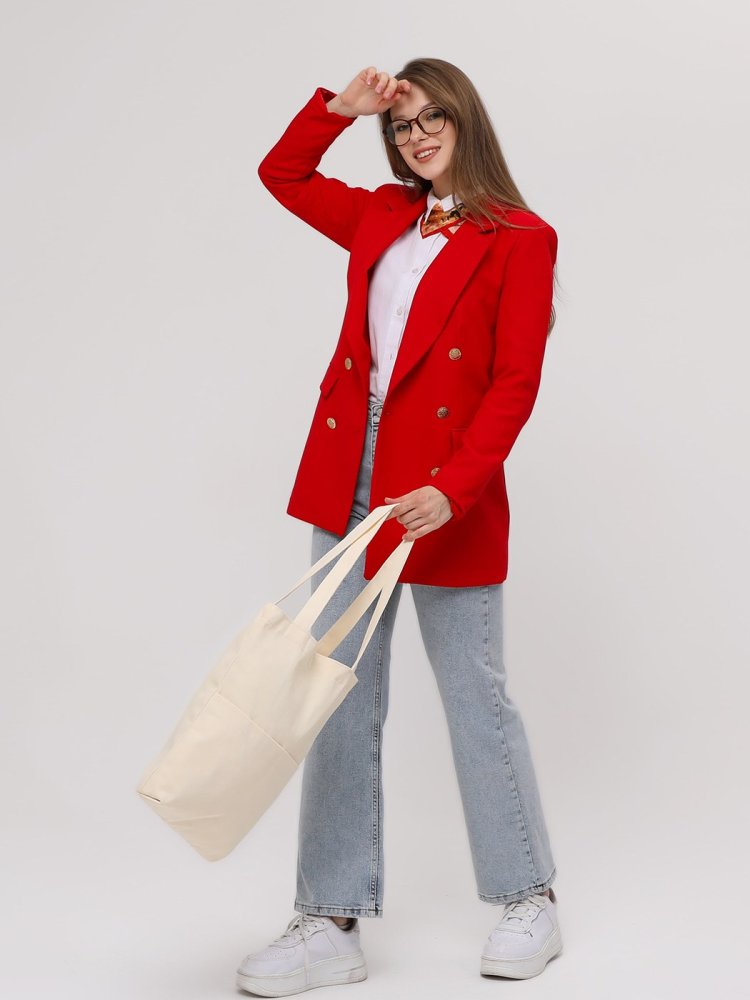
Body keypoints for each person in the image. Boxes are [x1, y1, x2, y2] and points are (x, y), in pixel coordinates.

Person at [237, 59, 562, 995]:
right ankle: (330, 919)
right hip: (353, 469)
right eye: (402, 126)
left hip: (446, 479)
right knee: (337, 695)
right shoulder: (380, 214)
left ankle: (528, 896)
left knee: (473, 694)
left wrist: (455, 488)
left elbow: (515, 382)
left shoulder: (522, 237)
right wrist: (338, 111)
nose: (415, 138)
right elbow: (282, 175)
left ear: (465, 121)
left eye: (431, 120)